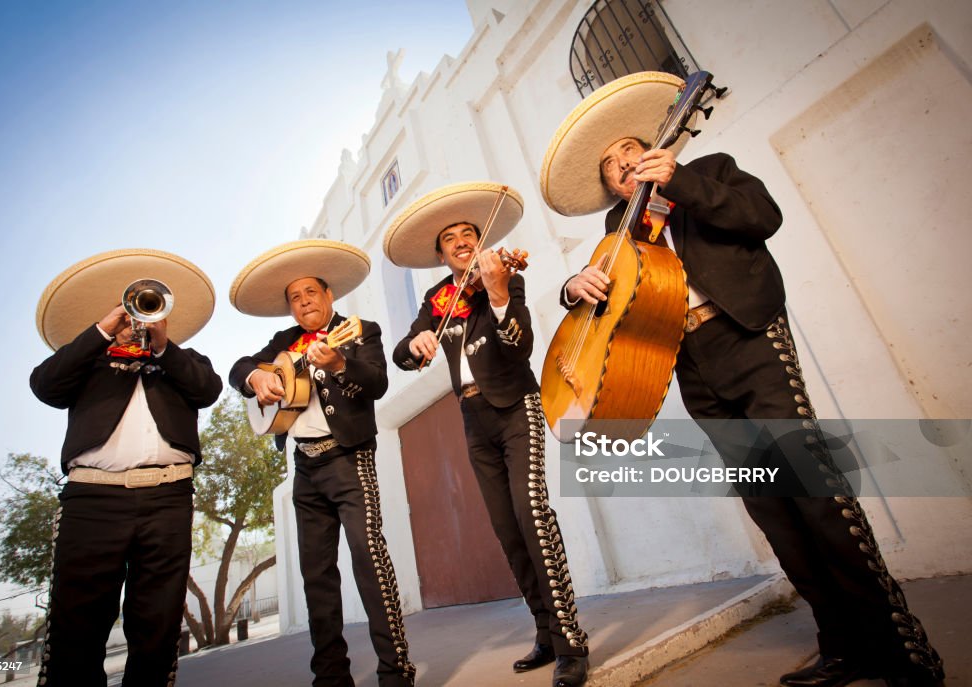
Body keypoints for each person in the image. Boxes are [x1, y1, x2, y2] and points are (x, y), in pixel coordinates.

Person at [541, 71, 944, 687]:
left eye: (629, 151)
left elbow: (764, 215)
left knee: (817, 495)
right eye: (610, 167)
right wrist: (574, 288)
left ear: (653, 149)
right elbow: (618, 310)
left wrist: (682, 182)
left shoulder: (710, 171)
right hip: (694, 367)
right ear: (608, 187)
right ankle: (841, 645)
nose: (622, 165)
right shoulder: (615, 233)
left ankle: (901, 649)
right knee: (773, 510)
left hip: (749, 339)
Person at [384, 182, 590, 687]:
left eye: (468, 234)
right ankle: (544, 633)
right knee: (506, 529)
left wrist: (497, 294)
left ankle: (570, 641)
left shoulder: (503, 275)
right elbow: (402, 356)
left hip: (516, 406)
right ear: (440, 253)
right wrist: (419, 342)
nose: (460, 241)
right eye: (450, 238)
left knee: (532, 515)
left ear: (480, 242)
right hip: (473, 417)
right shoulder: (438, 299)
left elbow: (517, 346)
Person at [29, 249, 223, 687]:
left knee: (156, 627)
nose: (140, 318)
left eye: (147, 308)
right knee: (76, 630)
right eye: (134, 310)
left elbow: (207, 389)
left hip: (167, 498)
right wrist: (102, 330)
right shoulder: (89, 362)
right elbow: (44, 385)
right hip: (92, 500)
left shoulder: (182, 360)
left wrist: (163, 346)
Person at [228, 239, 415, 687]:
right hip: (304, 468)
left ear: (329, 296)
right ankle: (331, 677)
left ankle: (396, 672)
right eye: (295, 297)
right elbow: (237, 368)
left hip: (349, 459)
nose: (304, 300)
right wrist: (256, 378)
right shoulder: (284, 342)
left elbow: (376, 382)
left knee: (369, 561)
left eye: (311, 291)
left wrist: (337, 363)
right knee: (316, 576)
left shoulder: (359, 330)